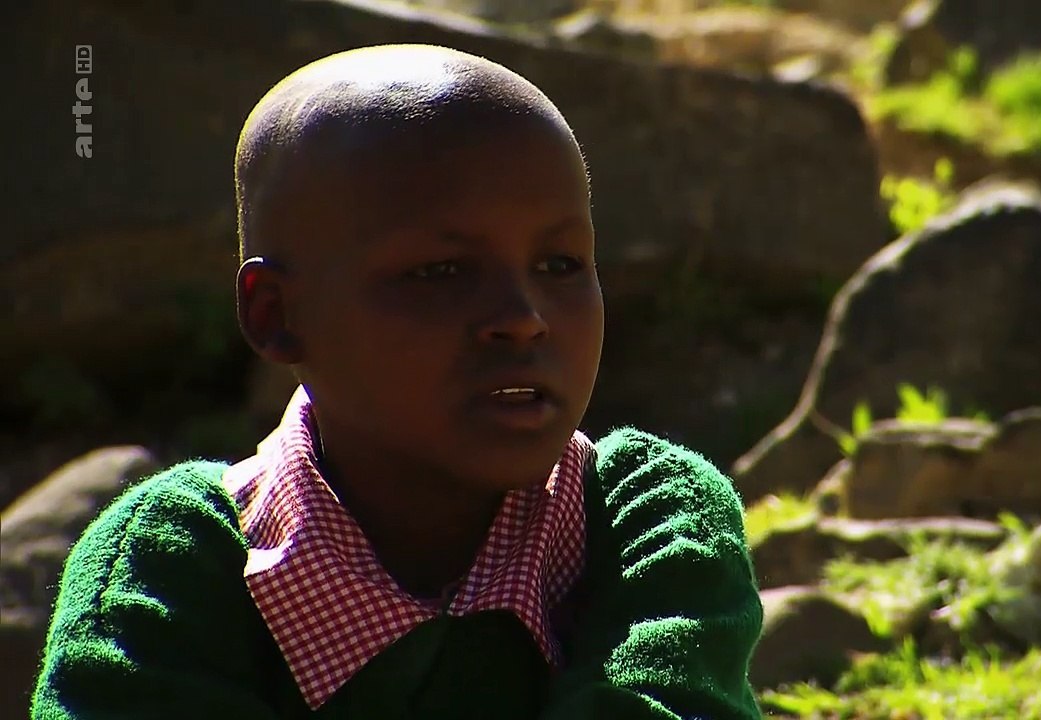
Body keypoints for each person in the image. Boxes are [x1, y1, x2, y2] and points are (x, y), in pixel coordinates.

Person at [30, 44, 764, 719]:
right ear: (277, 315)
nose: (523, 318)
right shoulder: (171, 559)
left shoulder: (645, 520)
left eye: (560, 264)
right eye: (440, 272)